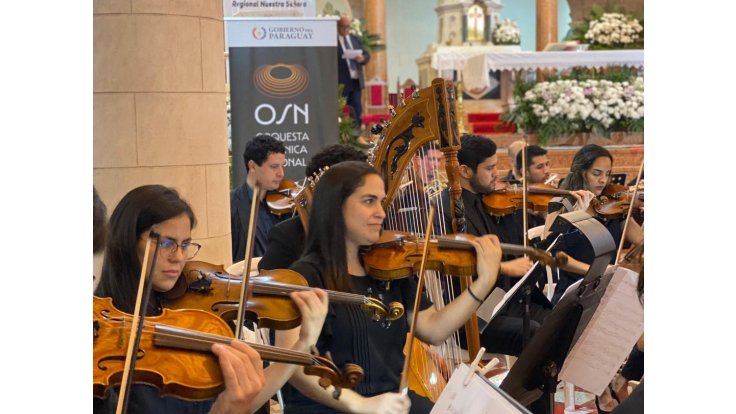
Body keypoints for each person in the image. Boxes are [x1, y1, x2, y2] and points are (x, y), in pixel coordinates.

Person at [275, 161, 502, 414]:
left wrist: (483, 284)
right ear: (335, 207)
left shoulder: (390, 267)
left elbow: (434, 329)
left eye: (381, 201)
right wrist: (360, 404)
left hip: (392, 401)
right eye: (369, 201)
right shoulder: (303, 277)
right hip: (331, 407)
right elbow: (292, 365)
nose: (381, 213)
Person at [94, 185, 328, 414]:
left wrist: (302, 344)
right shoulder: (102, 337)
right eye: (166, 243)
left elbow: (244, 399)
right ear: (127, 241)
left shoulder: (190, 315)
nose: (179, 257)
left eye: (185, 244)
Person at [548, 144, 644, 305]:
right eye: (596, 173)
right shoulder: (561, 204)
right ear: (581, 172)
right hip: (573, 294)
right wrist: (598, 273)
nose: (603, 180)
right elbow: (555, 255)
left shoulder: (612, 206)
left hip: (606, 290)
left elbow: (641, 240)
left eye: (607, 174)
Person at [259, 144, 368, 271]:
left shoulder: (371, 234)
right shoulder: (288, 236)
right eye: (366, 199)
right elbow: (265, 286)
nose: (379, 212)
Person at [231, 135, 287, 263]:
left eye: (282, 166)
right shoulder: (231, 206)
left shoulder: (286, 204)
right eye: (274, 167)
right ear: (252, 166)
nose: (281, 173)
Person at [337, 15, 370, 127]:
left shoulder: (355, 39)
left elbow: (366, 54)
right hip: (341, 83)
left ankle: (357, 137)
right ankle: (345, 137)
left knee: (357, 111)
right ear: (337, 26)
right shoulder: (333, 41)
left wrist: (362, 58)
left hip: (356, 81)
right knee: (341, 111)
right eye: (343, 27)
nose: (345, 29)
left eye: (347, 27)